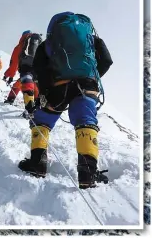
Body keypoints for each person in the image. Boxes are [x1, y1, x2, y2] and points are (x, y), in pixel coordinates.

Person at [18, 12, 113, 189]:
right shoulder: (90, 39)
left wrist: (46, 91)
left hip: (58, 87)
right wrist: (91, 78)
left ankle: (38, 164)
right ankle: (88, 174)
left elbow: (38, 67)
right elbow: (107, 61)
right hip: (87, 86)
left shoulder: (51, 42)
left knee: (42, 121)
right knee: (86, 122)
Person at [3, 30, 43, 112]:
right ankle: (37, 106)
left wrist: (9, 75)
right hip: (38, 68)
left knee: (25, 81)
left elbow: (14, 63)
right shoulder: (39, 43)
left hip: (26, 67)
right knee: (34, 85)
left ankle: (28, 107)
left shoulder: (20, 46)